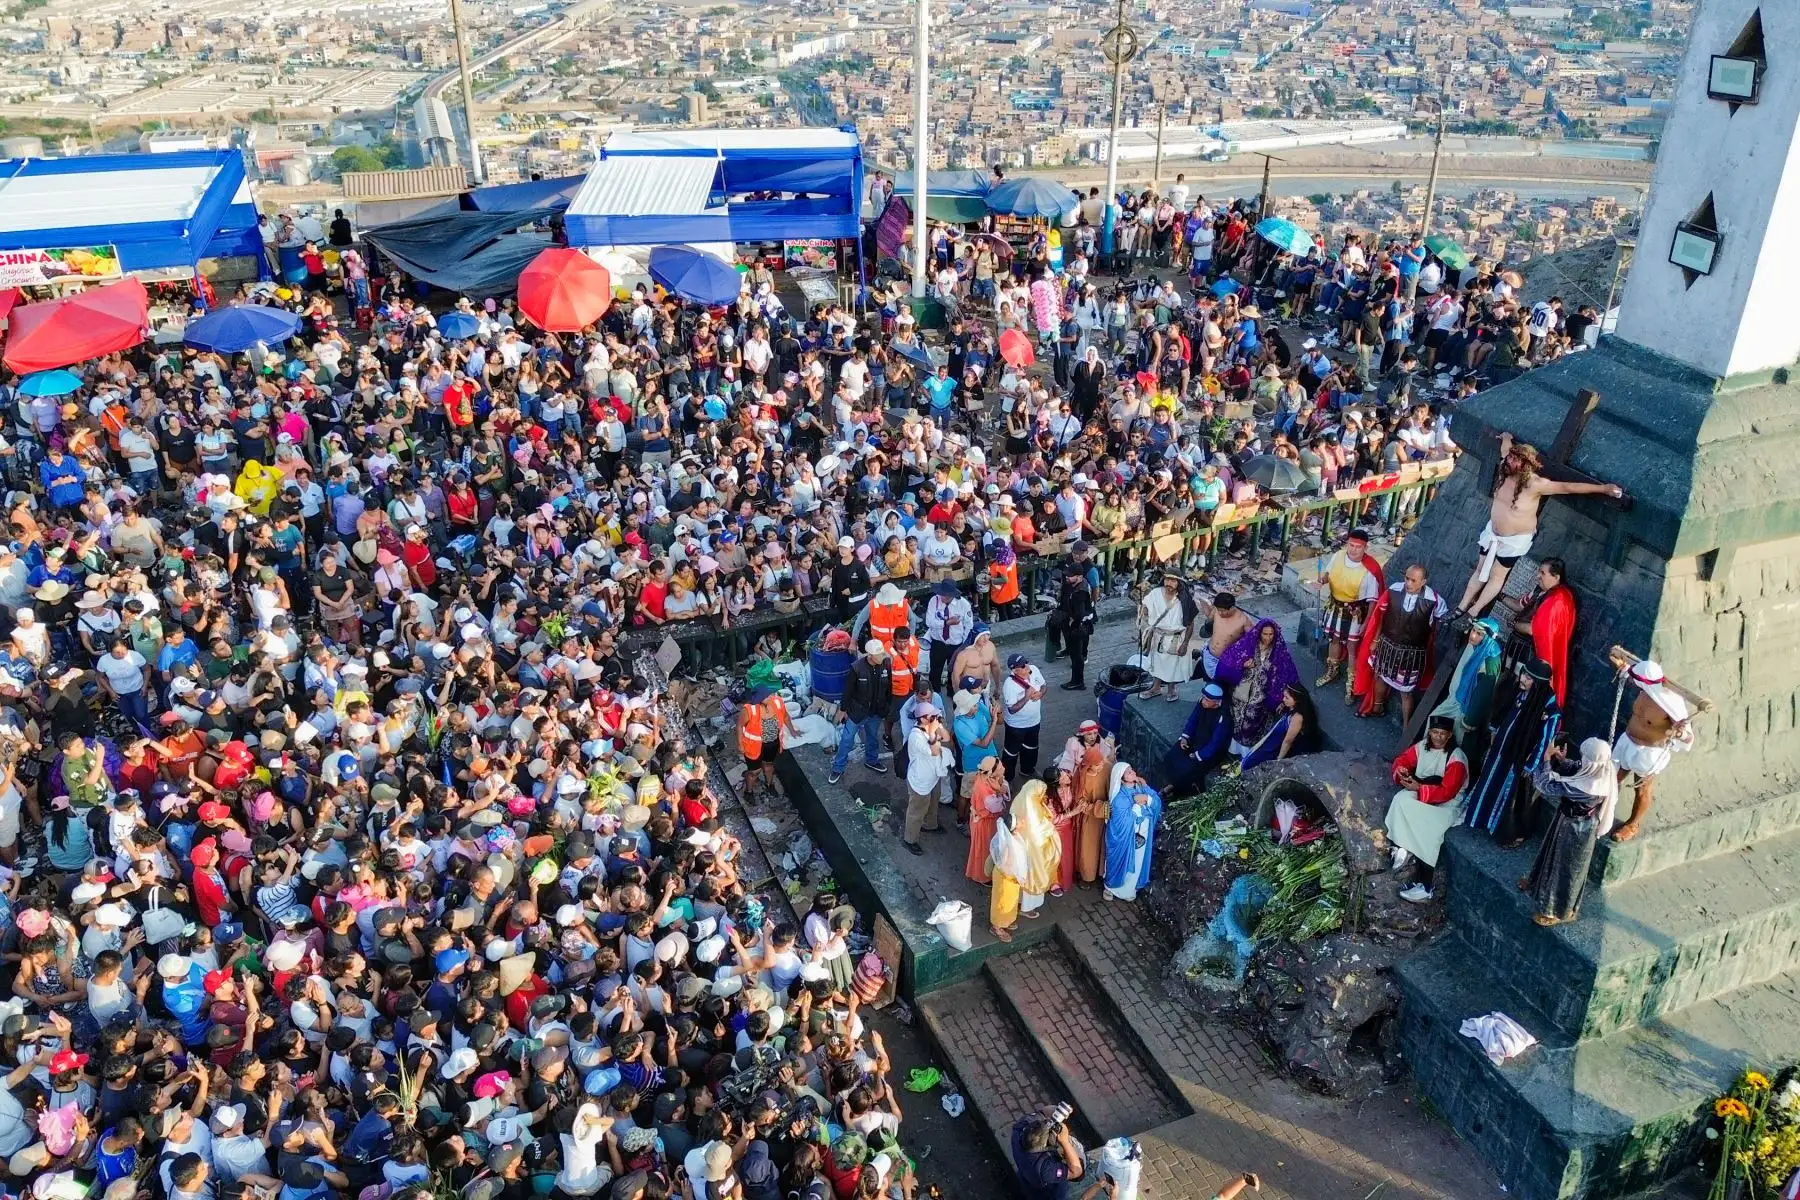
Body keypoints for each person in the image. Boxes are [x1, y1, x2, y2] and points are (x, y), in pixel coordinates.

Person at [1455, 432, 1622, 620]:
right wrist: (1506, 438)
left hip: (1514, 541)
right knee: (1480, 569)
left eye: (1514, 459)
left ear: (1526, 465)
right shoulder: (1505, 467)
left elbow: (1568, 487)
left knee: (1496, 576)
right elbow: (1505, 450)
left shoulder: (1536, 484)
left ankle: (1474, 611)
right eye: (1510, 457)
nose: (1509, 460)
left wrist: (1603, 488)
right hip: (1492, 533)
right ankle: (1461, 607)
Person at [1463, 658, 1561, 849]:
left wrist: (1530, 764)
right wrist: (1494, 728)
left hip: (1517, 760)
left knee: (1507, 794)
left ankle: (1500, 829)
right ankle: (1478, 817)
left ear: (1539, 683)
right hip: (1500, 749)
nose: (1522, 679)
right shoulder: (1521, 693)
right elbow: (1503, 710)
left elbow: (1544, 741)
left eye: (1528, 677)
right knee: (1488, 780)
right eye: (1523, 673)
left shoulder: (1549, 712)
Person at [1523, 736, 1618, 925]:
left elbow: (1545, 785)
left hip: (1577, 830)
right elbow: (1577, 768)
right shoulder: (1599, 769)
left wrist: (1547, 761)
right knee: (1550, 855)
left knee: (1566, 869)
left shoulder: (1589, 788)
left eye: (1584, 757)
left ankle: (1557, 911)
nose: (1581, 760)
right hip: (1567, 821)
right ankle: (1536, 883)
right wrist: (1560, 759)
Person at [1385, 715, 1471, 903]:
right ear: (1430, 732)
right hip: (1425, 788)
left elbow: (1447, 792)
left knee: (1429, 829)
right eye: (1435, 732)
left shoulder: (1456, 758)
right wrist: (1401, 770)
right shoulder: (1422, 747)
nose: (1438, 737)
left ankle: (1425, 886)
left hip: (1447, 803)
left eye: (1443, 734)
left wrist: (1419, 789)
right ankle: (1400, 846)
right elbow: (1403, 759)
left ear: (1449, 736)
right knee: (1400, 799)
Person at [1609, 659, 1695, 843]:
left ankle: (1632, 825)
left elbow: (1687, 737)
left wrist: (1679, 733)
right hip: (1626, 743)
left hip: (1648, 753)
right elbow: (1633, 676)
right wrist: (1620, 664)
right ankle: (1604, 811)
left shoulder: (1671, 704)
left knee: (1642, 789)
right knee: (1611, 779)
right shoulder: (1645, 688)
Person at [1353, 563, 1448, 724]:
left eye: (1413, 580)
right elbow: (1381, 617)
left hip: (1412, 653)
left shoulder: (1435, 600)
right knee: (1380, 678)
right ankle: (1377, 708)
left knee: (1406, 692)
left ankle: (1406, 726)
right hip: (1387, 645)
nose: (1408, 583)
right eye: (1407, 578)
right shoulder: (1394, 589)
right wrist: (1375, 640)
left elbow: (1438, 624)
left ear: (1423, 581)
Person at [1214, 618, 1301, 754]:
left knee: (1251, 725)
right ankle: (1233, 750)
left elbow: (1286, 672)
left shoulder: (1279, 651)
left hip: (1261, 696)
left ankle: (1247, 754)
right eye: (1265, 634)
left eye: (1271, 634)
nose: (1268, 638)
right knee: (1237, 722)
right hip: (1241, 692)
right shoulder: (1247, 645)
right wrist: (1243, 665)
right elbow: (1229, 660)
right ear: (1259, 632)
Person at [1429, 616, 1504, 770]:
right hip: (1458, 701)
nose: (1473, 635)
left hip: (1466, 712)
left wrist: (1469, 721)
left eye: (1478, 633)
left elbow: (1483, 695)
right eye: (1473, 631)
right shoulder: (1478, 650)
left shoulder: (1489, 662)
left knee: (1455, 747)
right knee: (1435, 723)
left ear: (1487, 638)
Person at [1499, 557, 1576, 706]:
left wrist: (1515, 624)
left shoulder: (1558, 599)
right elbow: (1519, 606)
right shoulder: (1540, 592)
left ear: (1556, 577)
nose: (1538, 575)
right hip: (1517, 648)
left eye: (1542, 572)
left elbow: (1535, 630)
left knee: (1518, 692)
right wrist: (1499, 595)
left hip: (1530, 653)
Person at [1314, 529, 1383, 692]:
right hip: (1334, 606)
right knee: (1334, 640)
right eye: (1351, 545)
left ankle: (1351, 682)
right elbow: (1327, 575)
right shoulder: (1338, 556)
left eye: (1358, 547)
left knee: (1352, 646)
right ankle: (1331, 671)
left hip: (1355, 612)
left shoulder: (1370, 569)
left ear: (1365, 548)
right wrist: (1321, 581)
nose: (1353, 549)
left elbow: (1373, 600)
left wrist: (1366, 623)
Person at [1055, 720, 1116, 886]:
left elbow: (1116, 781)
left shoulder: (1107, 768)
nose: (1093, 736)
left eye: (1095, 733)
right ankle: (1087, 876)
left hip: (1105, 818)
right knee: (1088, 849)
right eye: (1089, 734)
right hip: (1089, 820)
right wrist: (1100, 809)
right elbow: (1080, 800)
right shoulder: (1080, 775)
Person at [830, 640, 893, 785]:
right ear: (870, 655)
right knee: (847, 739)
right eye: (879, 654)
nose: (882, 656)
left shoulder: (885, 664)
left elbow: (889, 687)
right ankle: (838, 768)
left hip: (876, 712)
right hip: (857, 712)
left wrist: (887, 706)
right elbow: (848, 691)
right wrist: (843, 710)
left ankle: (872, 760)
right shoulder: (856, 668)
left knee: (873, 737)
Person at [1103, 763, 1162, 902]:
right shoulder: (1119, 799)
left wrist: (1148, 798)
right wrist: (1136, 807)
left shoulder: (1141, 788)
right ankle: (1111, 887)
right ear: (1122, 779)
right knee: (1120, 861)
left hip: (1143, 836)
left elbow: (1157, 803)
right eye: (1128, 772)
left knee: (1138, 861)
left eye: (1131, 769)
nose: (1132, 772)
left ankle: (1129, 889)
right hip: (1126, 839)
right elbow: (1121, 824)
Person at [901, 702, 953, 856]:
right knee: (916, 812)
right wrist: (932, 732)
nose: (936, 718)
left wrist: (939, 727)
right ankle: (910, 839)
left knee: (933, 803)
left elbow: (947, 738)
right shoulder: (915, 736)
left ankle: (930, 824)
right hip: (920, 782)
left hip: (933, 777)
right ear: (923, 719)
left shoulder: (932, 726)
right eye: (933, 716)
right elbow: (935, 751)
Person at [1164, 682, 1233, 794]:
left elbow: (1216, 743)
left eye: (1207, 700)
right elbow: (1193, 720)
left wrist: (1198, 755)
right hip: (1195, 740)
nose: (1203, 701)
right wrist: (1185, 737)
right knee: (1172, 756)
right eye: (1203, 698)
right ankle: (1172, 784)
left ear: (1216, 703)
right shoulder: (1202, 704)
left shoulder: (1223, 717)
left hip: (1208, 751)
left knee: (1187, 769)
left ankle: (1177, 789)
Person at [1138, 572, 1197, 701]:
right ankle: (1156, 688)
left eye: (1173, 581)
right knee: (1157, 662)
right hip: (1159, 636)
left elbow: (1190, 623)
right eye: (1167, 580)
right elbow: (1146, 611)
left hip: (1176, 638)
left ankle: (1172, 688)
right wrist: (1140, 600)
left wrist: (1185, 643)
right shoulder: (1155, 594)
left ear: (1179, 583)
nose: (1169, 583)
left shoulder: (1185, 599)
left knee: (1174, 664)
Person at [1236, 683, 1319, 771]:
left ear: (1297, 700)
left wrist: (1279, 759)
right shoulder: (1291, 707)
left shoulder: (1298, 718)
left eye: (1287, 698)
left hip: (1277, 746)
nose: (1283, 699)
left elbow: (1288, 741)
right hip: (1273, 740)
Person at [738, 683, 799, 801]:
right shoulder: (749, 710)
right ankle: (748, 792)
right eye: (766, 697)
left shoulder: (777, 702)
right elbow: (739, 726)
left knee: (769, 766)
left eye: (769, 695)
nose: (770, 697)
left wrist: (792, 730)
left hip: (772, 744)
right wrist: (740, 744)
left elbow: (785, 717)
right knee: (754, 772)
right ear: (759, 700)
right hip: (753, 747)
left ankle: (769, 785)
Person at [1046, 558, 1096, 690]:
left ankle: (1078, 681)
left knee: (1077, 655)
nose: (1067, 577)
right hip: (1072, 623)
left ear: (1079, 577)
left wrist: (1071, 622)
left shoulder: (1081, 592)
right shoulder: (1071, 585)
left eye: (1070, 575)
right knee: (1074, 652)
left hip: (1078, 627)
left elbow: (1079, 614)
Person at [1000, 652, 1046, 781]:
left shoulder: (1035, 669)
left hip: (1035, 721)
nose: (1027, 666)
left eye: (1026, 662)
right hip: (1016, 726)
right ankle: (1007, 778)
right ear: (1015, 670)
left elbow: (1044, 686)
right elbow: (1012, 709)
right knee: (1011, 752)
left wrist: (1040, 694)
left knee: (1032, 748)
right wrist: (1026, 697)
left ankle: (1027, 770)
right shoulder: (1009, 685)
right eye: (1022, 666)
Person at [966, 754, 1010, 885]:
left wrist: (1001, 788)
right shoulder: (984, 790)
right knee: (984, 849)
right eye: (1000, 766)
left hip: (986, 820)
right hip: (984, 823)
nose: (1002, 768)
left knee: (986, 847)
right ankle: (982, 876)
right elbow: (996, 807)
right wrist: (1001, 792)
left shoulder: (986, 777)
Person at [924, 579, 974, 690]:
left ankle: (952, 692)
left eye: (947, 595)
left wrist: (964, 645)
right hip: (938, 642)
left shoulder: (963, 604)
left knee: (955, 671)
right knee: (935, 671)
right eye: (942, 594)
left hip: (955, 644)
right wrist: (946, 623)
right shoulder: (934, 601)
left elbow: (968, 625)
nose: (943, 597)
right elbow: (929, 622)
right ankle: (935, 693)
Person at [1200, 591, 1254, 680]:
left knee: (1220, 686)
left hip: (1226, 661)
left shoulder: (1244, 620)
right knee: (1208, 682)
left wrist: (1250, 658)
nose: (1220, 613)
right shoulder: (1216, 610)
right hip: (1209, 655)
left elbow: (1253, 640)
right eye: (1218, 610)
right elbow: (1209, 620)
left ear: (1231, 607)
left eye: (1223, 611)